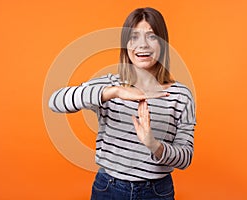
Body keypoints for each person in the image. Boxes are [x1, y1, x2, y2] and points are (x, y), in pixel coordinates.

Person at [49, 7, 196, 200]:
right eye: (134, 37)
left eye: (151, 37)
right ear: (126, 45)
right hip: (109, 189)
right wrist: (114, 92)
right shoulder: (109, 86)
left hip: (157, 192)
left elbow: (185, 158)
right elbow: (55, 101)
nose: (142, 45)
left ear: (163, 43)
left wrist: (154, 145)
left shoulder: (181, 95)